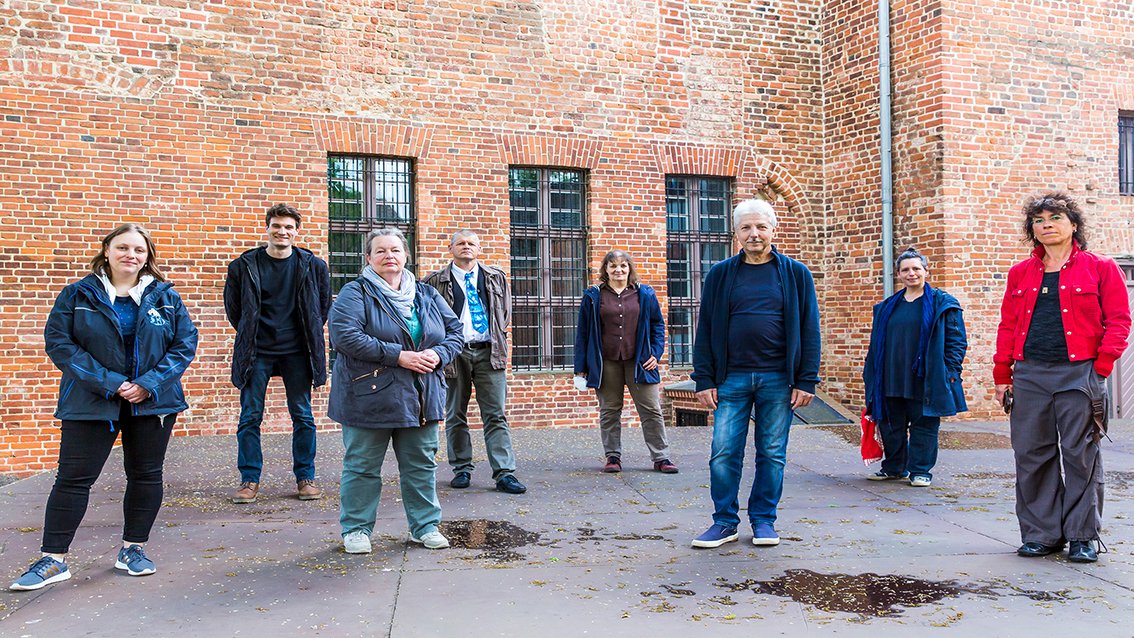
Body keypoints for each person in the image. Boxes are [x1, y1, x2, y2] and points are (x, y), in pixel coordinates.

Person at [10, 224, 198, 591]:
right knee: (73, 478)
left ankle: (133, 549)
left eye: (139, 250)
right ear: (107, 251)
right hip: (91, 401)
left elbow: (184, 343)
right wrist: (112, 383)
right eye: (123, 247)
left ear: (148, 256)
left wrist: (148, 384)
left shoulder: (165, 297)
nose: (131, 255)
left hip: (153, 402)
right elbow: (60, 343)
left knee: (146, 475)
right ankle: (53, 559)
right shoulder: (78, 294)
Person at [994, 191, 1130, 564]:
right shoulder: (1020, 273)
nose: (1046, 225)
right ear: (1032, 229)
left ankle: (1083, 536)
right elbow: (1008, 325)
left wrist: (1101, 366)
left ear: (1073, 225)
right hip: (1030, 375)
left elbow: (1119, 321)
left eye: (1055, 218)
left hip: (1079, 373)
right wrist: (1002, 374)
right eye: (1038, 220)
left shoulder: (1100, 267)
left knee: (1081, 455)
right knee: (1032, 454)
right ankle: (1042, 534)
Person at [690, 198, 820, 549]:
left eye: (761, 226)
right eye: (746, 227)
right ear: (735, 233)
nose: (754, 233)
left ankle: (764, 520)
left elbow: (810, 329)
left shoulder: (795, 274)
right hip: (731, 378)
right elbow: (706, 329)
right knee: (723, 451)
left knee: (772, 453)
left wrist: (807, 379)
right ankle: (724, 522)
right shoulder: (720, 274)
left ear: (773, 230)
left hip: (778, 378)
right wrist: (704, 378)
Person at [328, 228, 464, 554]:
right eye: (380, 251)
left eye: (395, 250)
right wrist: (398, 356)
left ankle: (425, 526)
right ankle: (357, 530)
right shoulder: (355, 293)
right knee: (362, 466)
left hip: (421, 396)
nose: (389, 256)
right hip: (369, 396)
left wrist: (440, 354)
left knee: (421, 464)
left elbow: (455, 332)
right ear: (369, 258)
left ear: (406, 256)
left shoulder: (426, 295)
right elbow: (345, 336)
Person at [224, 204, 331, 504]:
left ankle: (305, 478)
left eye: (288, 227)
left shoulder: (313, 265)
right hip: (256, 351)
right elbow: (234, 310)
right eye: (277, 226)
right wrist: (251, 333)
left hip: (297, 351)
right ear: (267, 228)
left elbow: (321, 307)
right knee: (249, 417)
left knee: (303, 416)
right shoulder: (244, 265)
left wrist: (305, 334)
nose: (282, 232)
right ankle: (249, 480)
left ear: (297, 231)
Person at [423, 230, 526, 494]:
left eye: (471, 243)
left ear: (478, 249)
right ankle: (461, 469)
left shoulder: (495, 277)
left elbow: (504, 313)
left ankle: (504, 473)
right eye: (461, 243)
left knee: (496, 415)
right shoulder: (435, 281)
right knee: (455, 413)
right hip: (453, 353)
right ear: (451, 248)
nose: (466, 247)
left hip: (489, 351)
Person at [862, 248, 968, 487]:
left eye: (916, 269)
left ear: (926, 271)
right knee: (890, 425)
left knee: (924, 425)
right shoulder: (887, 307)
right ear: (898, 274)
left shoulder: (943, 303)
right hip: (890, 376)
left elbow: (956, 341)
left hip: (925, 377)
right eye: (905, 270)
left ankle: (921, 470)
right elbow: (876, 343)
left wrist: (950, 371)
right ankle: (894, 468)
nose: (911, 274)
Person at [574, 249, 677, 474]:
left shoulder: (645, 294)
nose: (618, 270)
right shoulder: (593, 296)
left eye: (623, 265)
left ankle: (661, 457)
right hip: (606, 363)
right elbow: (583, 333)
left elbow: (658, 325)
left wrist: (655, 354)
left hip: (639, 361)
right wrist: (580, 368)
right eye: (613, 266)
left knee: (651, 409)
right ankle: (613, 456)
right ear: (606, 270)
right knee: (609, 410)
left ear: (629, 269)